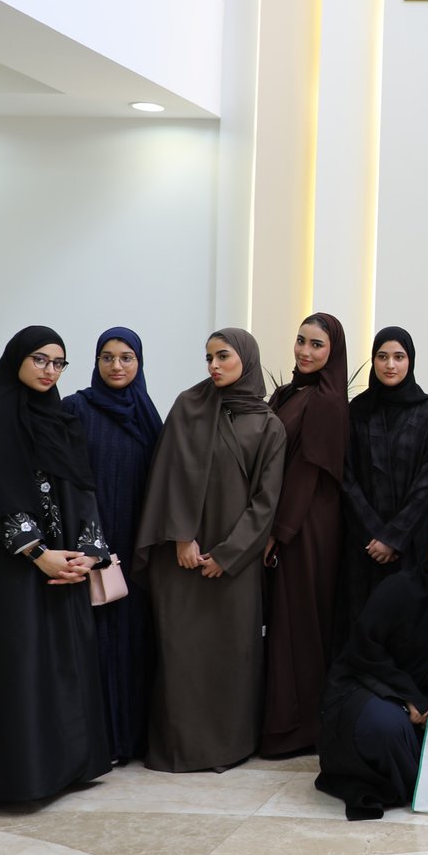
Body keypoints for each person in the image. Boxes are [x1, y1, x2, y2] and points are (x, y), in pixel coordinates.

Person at [0, 326, 112, 805]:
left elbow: (83, 488)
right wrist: (38, 554)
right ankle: (16, 780)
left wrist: (88, 552)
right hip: (9, 571)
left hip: (65, 565)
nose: (49, 371)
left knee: (63, 664)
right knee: (18, 667)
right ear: (16, 358)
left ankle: (66, 769)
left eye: (58, 363)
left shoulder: (61, 419)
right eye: (40, 360)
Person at [134, 329, 286, 773]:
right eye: (208, 358)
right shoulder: (189, 406)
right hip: (180, 560)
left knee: (231, 658)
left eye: (223, 356)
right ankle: (179, 748)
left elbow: (266, 501)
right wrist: (182, 537)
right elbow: (167, 474)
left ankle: (227, 747)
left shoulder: (269, 424)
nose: (214, 366)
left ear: (247, 360)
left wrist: (228, 554)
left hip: (233, 567)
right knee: (180, 657)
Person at [315, 513, 428, 820]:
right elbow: (366, 648)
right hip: (367, 684)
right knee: (387, 727)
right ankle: (406, 782)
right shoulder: (400, 588)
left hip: (426, 702)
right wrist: (408, 696)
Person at [62, 326, 164, 764]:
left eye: (126, 357)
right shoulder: (76, 409)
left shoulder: (146, 413)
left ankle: (132, 740)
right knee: (94, 643)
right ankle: (98, 743)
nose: (116, 366)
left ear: (139, 363)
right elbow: (62, 481)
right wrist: (90, 542)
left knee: (136, 643)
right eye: (107, 357)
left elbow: (163, 482)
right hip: (92, 546)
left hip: (138, 549)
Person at [261, 313, 350, 756]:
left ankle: (299, 727)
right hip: (285, 520)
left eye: (317, 345)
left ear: (333, 352)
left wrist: (281, 532)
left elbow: (307, 472)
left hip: (307, 526)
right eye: (301, 341)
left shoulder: (328, 400)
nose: (305, 351)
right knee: (283, 620)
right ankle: (281, 719)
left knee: (301, 621)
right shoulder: (287, 392)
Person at [339, 327, 428, 642]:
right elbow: (346, 477)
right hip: (364, 546)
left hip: (412, 544)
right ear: (373, 361)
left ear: (410, 361)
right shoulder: (356, 411)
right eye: (382, 356)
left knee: (409, 627)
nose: (390, 365)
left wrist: (394, 537)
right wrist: (377, 535)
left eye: (398, 357)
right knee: (362, 625)